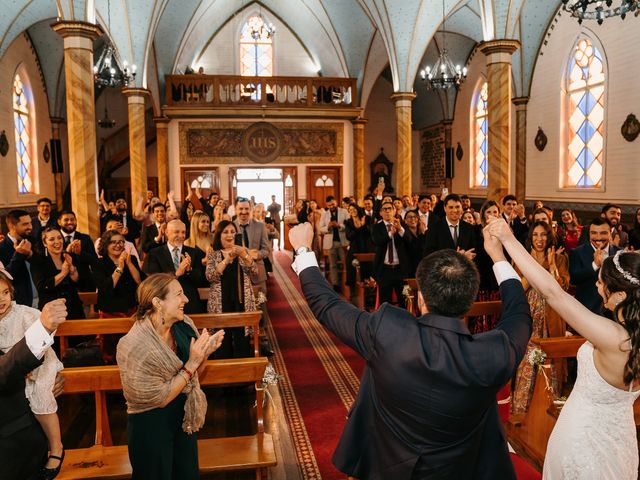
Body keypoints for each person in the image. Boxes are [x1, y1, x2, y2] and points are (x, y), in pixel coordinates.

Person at [288, 221, 532, 479]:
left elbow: (326, 305)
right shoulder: (493, 354)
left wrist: (304, 250)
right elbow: (519, 314)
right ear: (470, 302)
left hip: (387, 468)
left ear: (421, 298)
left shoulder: (387, 332)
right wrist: (498, 256)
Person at [487, 219, 640, 480]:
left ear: (621, 295)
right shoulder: (627, 338)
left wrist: (505, 243)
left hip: (583, 439)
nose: (596, 286)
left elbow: (553, 293)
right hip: (619, 438)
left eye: (602, 283)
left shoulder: (614, 338)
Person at [117, 274, 224, 480]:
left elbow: (193, 378)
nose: (186, 299)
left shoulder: (184, 326)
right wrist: (192, 362)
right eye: (179, 295)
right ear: (158, 302)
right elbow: (161, 397)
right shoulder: (133, 345)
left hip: (184, 419)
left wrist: (204, 355)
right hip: (151, 426)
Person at [0, 269, 68, 480]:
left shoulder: (22, 314)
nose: (1, 299)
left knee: (42, 394)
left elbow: (41, 341)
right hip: (7, 435)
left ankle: (56, 447)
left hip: (27, 431)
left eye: (4, 292)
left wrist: (46, 325)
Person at [510, 221, 570, 415]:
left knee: (549, 359)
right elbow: (518, 289)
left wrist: (551, 265)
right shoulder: (522, 259)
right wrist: (533, 266)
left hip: (551, 315)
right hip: (528, 315)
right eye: (535, 235)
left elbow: (562, 289)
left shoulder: (560, 259)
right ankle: (522, 408)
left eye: (543, 235)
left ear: (549, 237)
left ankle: (548, 408)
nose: (539, 239)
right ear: (530, 238)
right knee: (526, 360)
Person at [205, 220, 257, 358]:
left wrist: (243, 254)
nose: (230, 235)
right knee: (222, 344)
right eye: (225, 232)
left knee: (243, 343)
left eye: (233, 232)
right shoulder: (213, 254)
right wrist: (226, 260)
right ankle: (224, 375)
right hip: (221, 304)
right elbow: (210, 277)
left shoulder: (243, 252)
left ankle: (244, 375)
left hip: (242, 304)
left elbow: (254, 271)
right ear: (219, 235)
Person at [143, 220, 206, 315]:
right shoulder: (154, 254)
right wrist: (176, 273)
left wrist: (189, 270)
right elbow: (153, 281)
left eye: (183, 232)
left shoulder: (195, 253)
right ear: (167, 232)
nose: (181, 235)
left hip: (190, 306)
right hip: (164, 306)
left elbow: (202, 281)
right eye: (177, 232)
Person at [30, 227, 85, 320]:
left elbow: (78, 282)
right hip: (51, 310)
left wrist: (72, 271)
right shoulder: (37, 261)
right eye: (51, 239)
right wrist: (63, 273)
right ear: (44, 243)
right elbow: (42, 286)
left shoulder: (68, 256)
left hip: (74, 307)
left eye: (59, 238)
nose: (57, 242)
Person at [569, 218, 621, 315]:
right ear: (589, 234)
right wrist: (595, 265)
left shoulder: (620, 253)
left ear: (610, 233)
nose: (598, 237)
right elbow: (573, 279)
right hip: (586, 311)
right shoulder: (577, 252)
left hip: (614, 312)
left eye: (603, 233)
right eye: (594, 233)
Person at [423, 193, 477, 261]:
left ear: (461, 208)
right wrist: (457, 256)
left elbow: (473, 251)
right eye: (451, 207)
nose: (455, 210)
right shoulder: (434, 228)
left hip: (463, 269)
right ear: (445, 208)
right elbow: (429, 255)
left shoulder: (469, 228)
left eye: (457, 207)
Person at [0, 209, 36, 307]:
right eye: (25, 224)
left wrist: (31, 255)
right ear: (13, 226)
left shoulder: (34, 241)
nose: (30, 227)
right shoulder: (1, 248)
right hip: (19, 304)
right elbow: (4, 279)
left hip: (41, 300)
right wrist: (19, 254)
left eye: (30, 223)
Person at [57, 210, 97, 292]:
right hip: (62, 283)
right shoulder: (55, 239)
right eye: (66, 220)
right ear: (59, 222)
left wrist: (80, 253)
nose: (70, 222)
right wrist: (66, 251)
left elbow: (94, 260)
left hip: (84, 284)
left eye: (72, 219)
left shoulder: (85, 238)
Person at [344, 204, 374, 302]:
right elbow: (349, 236)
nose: (352, 211)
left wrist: (363, 225)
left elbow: (370, 232)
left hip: (366, 248)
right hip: (354, 249)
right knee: (352, 269)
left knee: (367, 271)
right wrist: (358, 227)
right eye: (350, 210)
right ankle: (353, 295)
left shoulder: (367, 218)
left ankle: (369, 296)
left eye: (354, 209)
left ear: (358, 209)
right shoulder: (348, 222)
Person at [319, 196, 349, 292]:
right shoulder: (325, 214)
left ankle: (346, 283)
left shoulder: (344, 211)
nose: (331, 206)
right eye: (329, 205)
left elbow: (349, 224)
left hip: (342, 242)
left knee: (346, 263)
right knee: (333, 265)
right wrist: (328, 226)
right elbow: (321, 228)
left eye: (333, 204)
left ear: (336, 202)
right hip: (330, 242)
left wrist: (339, 225)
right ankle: (335, 285)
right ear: (326, 205)